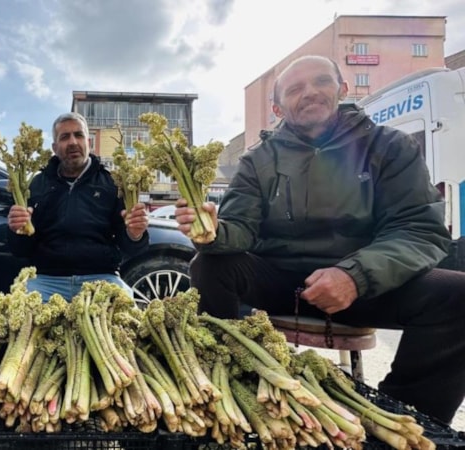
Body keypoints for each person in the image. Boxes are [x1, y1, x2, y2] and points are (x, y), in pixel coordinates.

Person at [174, 55, 465, 424]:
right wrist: (214, 232)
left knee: (458, 297)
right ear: (278, 107)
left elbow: (419, 229)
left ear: (343, 89)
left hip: (364, 286)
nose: (309, 92)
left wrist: (355, 275)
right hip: (281, 281)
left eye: (321, 82)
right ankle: (227, 386)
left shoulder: (389, 147)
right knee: (210, 264)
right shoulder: (258, 160)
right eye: (295, 89)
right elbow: (241, 228)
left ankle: (403, 418)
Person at [6, 112, 149, 301]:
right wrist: (16, 230)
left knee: (127, 321)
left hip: (102, 279)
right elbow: (20, 251)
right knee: (17, 316)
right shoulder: (35, 185)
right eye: (64, 137)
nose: (73, 142)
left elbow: (131, 248)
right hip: (46, 281)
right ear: (55, 147)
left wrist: (135, 234)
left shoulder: (113, 183)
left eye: (79, 135)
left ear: (88, 141)